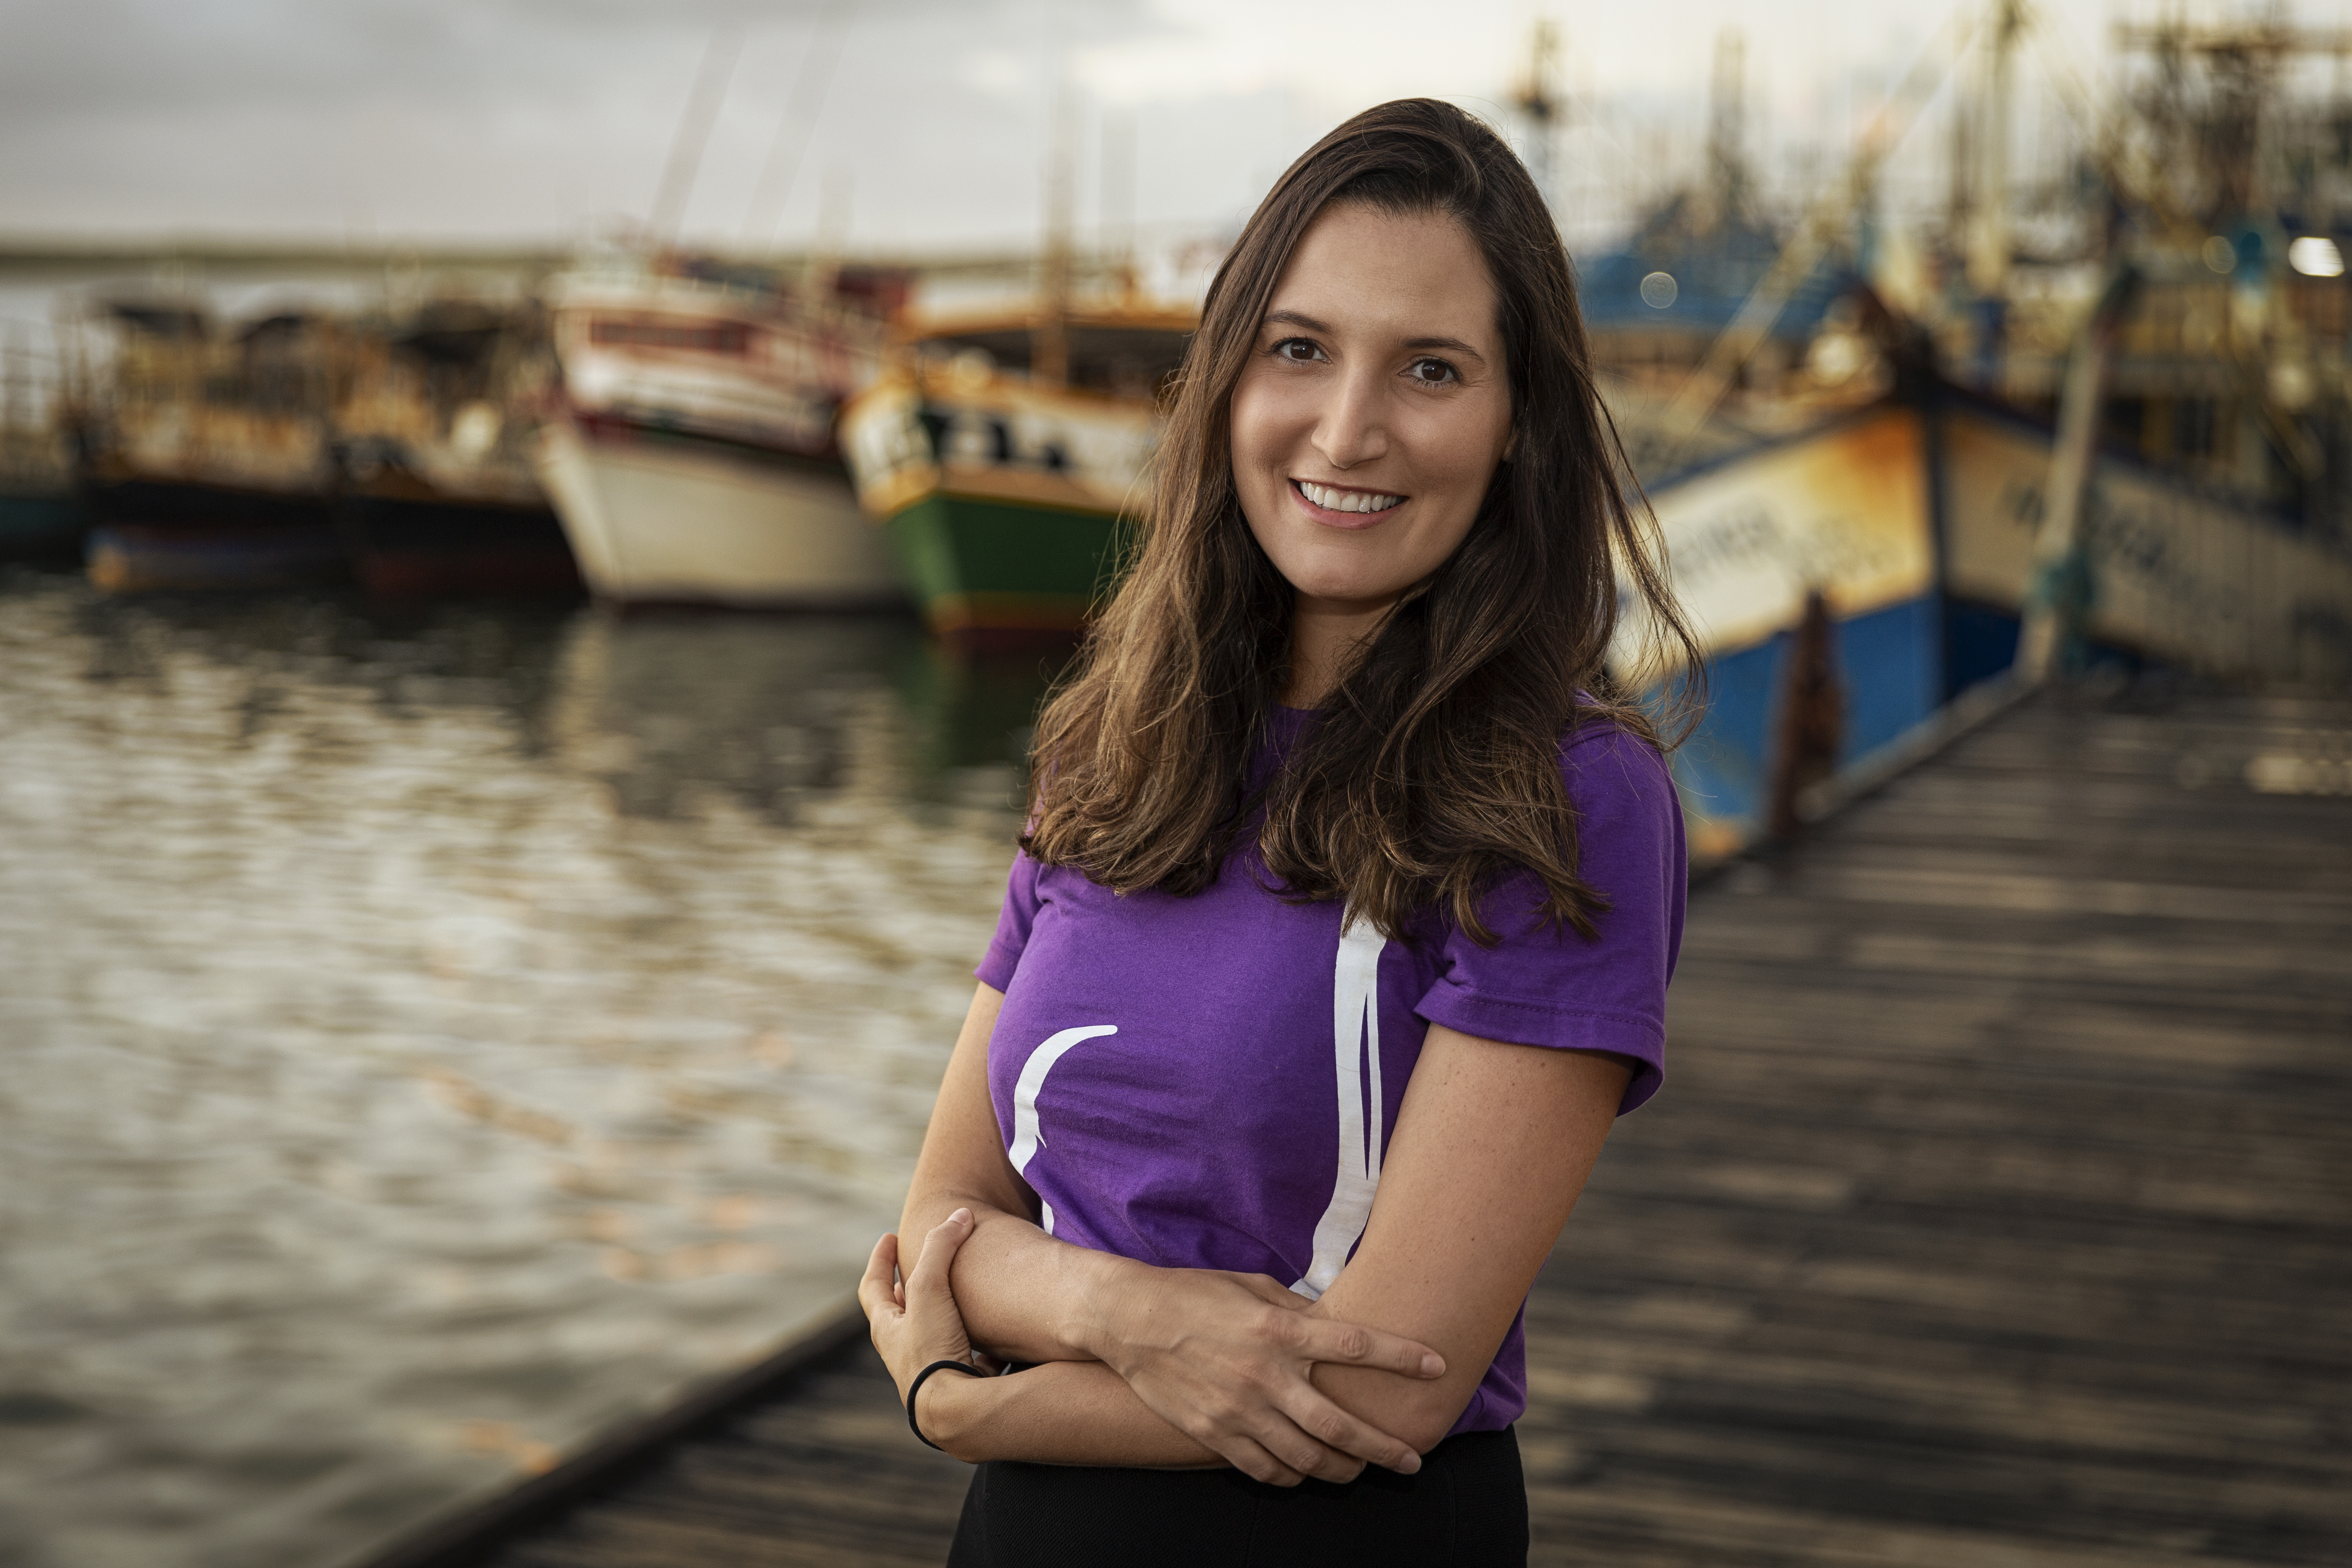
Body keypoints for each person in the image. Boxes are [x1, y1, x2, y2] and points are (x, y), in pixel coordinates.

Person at [858, 97, 1700, 1565]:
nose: (1348, 428)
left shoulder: (1567, 796)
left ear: (1517, 428)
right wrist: (1132, 1313)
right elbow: (942, 1204)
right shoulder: (1111, 744)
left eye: (1430, 369)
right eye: (1298, 349)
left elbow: (1384, 1382)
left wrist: (967, 1403)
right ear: (1227, 380)